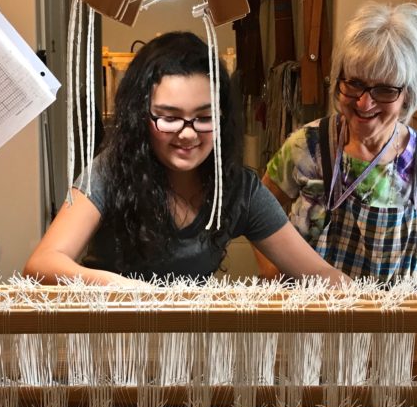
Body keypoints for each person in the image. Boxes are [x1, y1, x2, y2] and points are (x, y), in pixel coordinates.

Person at [24, 32, 348, 286]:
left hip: (186, 357)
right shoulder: (109, 173)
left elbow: (317, 273)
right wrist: (130, 291)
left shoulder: (237, 189)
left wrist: (369, 307)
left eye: (204, 117)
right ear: (141, 116)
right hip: (111, 355)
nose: (188, 134)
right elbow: (42, 264)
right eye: (169, 118)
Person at [259, 2, 417, 283]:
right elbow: (258, 207)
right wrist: (270, 270)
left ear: (408, 93)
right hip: (303, 320)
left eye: (384, 89)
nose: (364, 102)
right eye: (355, 83)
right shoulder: (308, 145)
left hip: (384, 325)